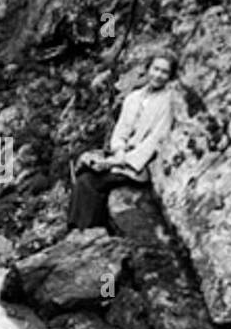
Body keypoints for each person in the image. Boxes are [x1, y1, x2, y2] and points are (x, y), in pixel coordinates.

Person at [67, 52, 176, 232]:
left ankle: (88, 230)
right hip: (121, 156)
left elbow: (155, 140)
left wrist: (120, 161)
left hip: (138, 165)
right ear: (148, 69)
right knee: (85, 172)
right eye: (155, 69)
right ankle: (78, 228)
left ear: (169, 76)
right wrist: (117, 151)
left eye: (164, 72)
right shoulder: (133, 97)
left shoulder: (168, 102)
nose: (158, 75)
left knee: (90, 181)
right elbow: (121, 131)